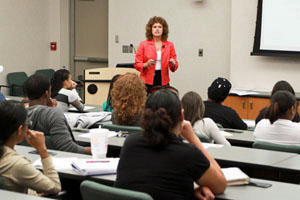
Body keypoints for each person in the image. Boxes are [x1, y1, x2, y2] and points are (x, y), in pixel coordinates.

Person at [115, 89, 227, 200]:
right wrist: (193, 138)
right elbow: (220, 185)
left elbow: (150, 183)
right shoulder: (188, 153)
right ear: (182, 116)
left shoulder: (130, 142)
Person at [0, 101, 61, 195]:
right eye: (27, 123)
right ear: (20, 130)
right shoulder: (17, 164)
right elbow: (55, 187)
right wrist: (43, 150)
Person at [24, 74, 91, 154]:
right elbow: (68, 148)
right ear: (47, 93)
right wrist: (97, 150)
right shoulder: (53, 114)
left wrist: (51, 108)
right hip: (63, 161)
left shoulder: (20, 113)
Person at [134, 16, 178, 93]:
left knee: (163, 103)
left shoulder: (170, 45)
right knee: (147, 103)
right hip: (146, 81)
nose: (157, 29)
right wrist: (146, 64)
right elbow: (137, 64)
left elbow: (174, 66)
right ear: (150, 29)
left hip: (163, 80)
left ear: (163, 29)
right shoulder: (143, 44)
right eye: (154, 27)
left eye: (160, 27)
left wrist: (173, 63)